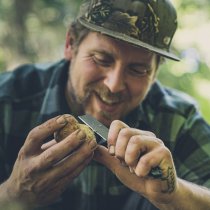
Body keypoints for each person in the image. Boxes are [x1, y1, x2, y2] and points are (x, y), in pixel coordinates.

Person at [0, 0, 210, 209]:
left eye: (137, 70)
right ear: (70, 44)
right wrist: (12, 193)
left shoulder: (179, 121)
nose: (114, 85)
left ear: (155, 74)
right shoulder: (7, 102)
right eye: (101, 59)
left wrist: (174, 195)